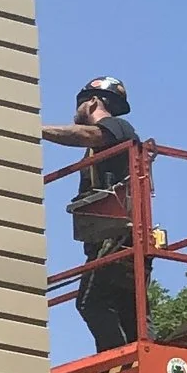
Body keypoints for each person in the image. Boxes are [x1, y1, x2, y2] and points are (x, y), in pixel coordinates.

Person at [43, 77, 146, 352]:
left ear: (92, 102)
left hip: (118, 236)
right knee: (126, 307)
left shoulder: (118, 128)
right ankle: (133, 356)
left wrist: (37, 130)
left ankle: (119, 362)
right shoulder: (101, 150)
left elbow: (87, 135)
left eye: (79, 105)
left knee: (92, 301)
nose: (75, 113)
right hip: (117, 235)